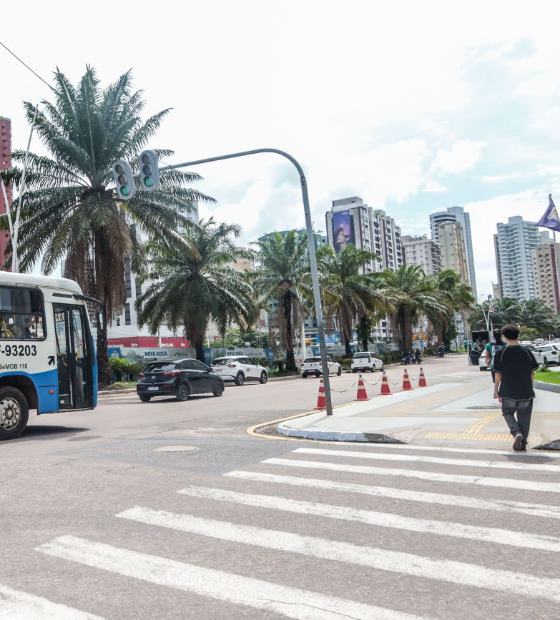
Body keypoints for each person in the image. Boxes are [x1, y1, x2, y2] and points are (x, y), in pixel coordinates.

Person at [493, 324, 539, 451]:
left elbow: (498, 374)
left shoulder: (501, 353)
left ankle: (516, 432)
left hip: (507, 391)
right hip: (526, 392)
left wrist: (496, 389)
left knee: (507, 413)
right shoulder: (527, 351)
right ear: (518, 335)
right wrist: (529, 387)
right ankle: (523, 443)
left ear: (504, 336)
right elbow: (532, 373)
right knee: (524, 417)